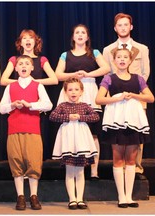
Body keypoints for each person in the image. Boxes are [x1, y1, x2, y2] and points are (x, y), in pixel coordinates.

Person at [95, 48, 155, 208]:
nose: (122, 60)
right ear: (114, 60)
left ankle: (129, 196)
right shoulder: (109, 78)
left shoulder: (138, 79)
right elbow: (99, 99)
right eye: (119, 57)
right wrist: (118, 98)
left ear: (130, 61)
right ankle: (121, 196)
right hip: (116, 122)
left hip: (133, 122)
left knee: (131, 160)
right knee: (118, 158)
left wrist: (134, 95)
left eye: (125, 57)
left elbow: (150, 97)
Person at [55, 24, 110, 180]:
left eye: (83, 33)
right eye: (77, 33)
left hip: (90, 92)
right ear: (73, 37)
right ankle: (71, 168)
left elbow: (105, 68)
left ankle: (94, 170)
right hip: (70, 92)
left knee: (92, 134)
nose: (80, 35)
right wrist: (75, 75)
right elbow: (58, 75)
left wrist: (87, 74)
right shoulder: (65, 54)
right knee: (70, 130)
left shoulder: (95, 53)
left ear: (87, 37)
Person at [0, 55, 52, 210]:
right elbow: (2, 108)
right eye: (20, 63)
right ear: (15, 68)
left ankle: (33, 195)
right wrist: (12, 105)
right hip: (14, 129)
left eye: (27, 64)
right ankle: (20, 196)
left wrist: (31, 105)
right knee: (16, 161)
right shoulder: (11, 87)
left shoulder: (37, 86)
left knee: (34, 161)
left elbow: (48, 104)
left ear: (32, 67)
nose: (23, 66)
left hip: (32, 129)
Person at [103, 13, 150, 180]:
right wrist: (113, 96)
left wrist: (137, 94)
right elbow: (107, 72)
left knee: (137, 133)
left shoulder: (142, 48)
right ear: (115, 28)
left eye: (126, 25)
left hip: (136, 97)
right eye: (119, 25)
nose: (123, 28)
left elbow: (145, 72)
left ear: (131, 27)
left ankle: (136, 167)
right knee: (118, 133)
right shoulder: (108, 50)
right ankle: (120, 166)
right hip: (116, 98)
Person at [0, 29, 58, 160]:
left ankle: (33, 166)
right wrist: (22, 82)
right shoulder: (14, 59)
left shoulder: (42, 59)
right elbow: (3, 80)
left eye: (30, 38)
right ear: (20, 43)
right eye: (24, 38)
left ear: (35, 42)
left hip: (35, 104)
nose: (27, 40)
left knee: (34, 140)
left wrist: (32, 82)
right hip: (18, 106)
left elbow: (54, 79)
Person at [50, 78, 99, 210]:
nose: (73, 92)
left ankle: (80, 198)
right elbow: (52, 116)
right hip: (68, 141)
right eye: (70, 89)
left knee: (80, 171)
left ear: (81, 91)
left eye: (76, 89)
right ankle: (72, 199)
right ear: (65, 92)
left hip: (81, 142)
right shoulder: (62, 106)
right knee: (70, 170)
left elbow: (95, 117)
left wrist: (81, 117)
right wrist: (67, 117)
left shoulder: (85, 106)